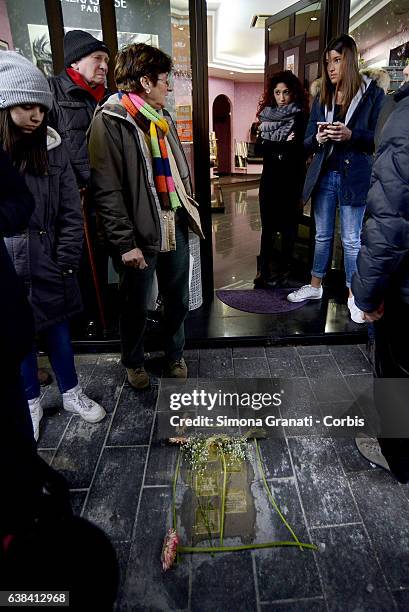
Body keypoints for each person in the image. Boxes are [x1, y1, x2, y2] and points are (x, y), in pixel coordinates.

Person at [0, 51, 106, 441]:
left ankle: (72, 393)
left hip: (49, 259)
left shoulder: (53, 146)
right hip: (8, 265)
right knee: (19, 336)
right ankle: (30, 401)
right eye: (26, 107)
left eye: (41, 109)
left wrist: (65, 260)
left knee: (59, 332)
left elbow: (69, 211)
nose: (36, 117)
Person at [88, 43, 204, 389]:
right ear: (145, 81)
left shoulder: (162, 117)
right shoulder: (109, 121)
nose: (168, 87)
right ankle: (134, 362)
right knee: (135, 303)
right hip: (138, 232)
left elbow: (177, 169)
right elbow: (106, 191)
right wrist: (124, 243)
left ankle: (174, 354)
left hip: (173, 221)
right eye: (164, 80)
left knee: (177, 298)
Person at [287, 34, 384, 324]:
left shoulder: (372, 95)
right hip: (325, 175)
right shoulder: (322, 96)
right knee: (321, 234)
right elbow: (306, 142)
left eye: (337, 60)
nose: (330, 67)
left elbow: (378, 139)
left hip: (354, 176)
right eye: (328, 61)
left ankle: (354, 296)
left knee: (352, 240)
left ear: (350, 61)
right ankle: (315, 287)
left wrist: (351, 135)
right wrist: (318, 138)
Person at [352, 75, 409, 484]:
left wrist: (367, 293)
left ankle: (398, 455)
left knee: (397, 375)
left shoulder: (404, 118)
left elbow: (389, 220)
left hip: (405, 289)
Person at [48, 30, 110, 339]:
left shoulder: (110, 98)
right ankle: (85, 321)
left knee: (108, 258)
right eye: (97, 59)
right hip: (75, 199)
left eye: (106, 61)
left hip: (108, 194)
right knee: (80, 263)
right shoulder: (53, 92)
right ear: (76, 60)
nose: (104, 66)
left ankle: (107, 319)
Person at [253, 70, 308, 289]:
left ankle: (284, 270)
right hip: (270, 179)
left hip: (292, 180)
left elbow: (299, 150)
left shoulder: (301, 117)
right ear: (272, 94)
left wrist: (273, 145)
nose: (282, 97)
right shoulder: (266, 116)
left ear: (293, 93)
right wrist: (282, 143)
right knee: (267, 228)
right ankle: (263, 271)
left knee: (288, 229)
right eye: (277, 92)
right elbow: (258, 148)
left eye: (286, 92)